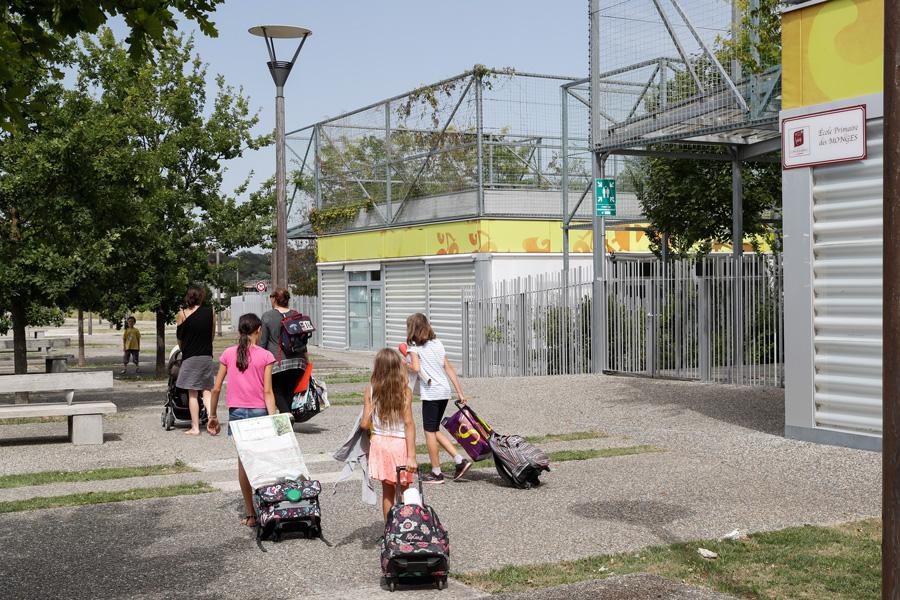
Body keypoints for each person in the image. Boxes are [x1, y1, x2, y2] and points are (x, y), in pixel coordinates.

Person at [209, 313, 276, 528]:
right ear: (259, 330)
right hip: (260, 412)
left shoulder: (228, 354)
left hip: (237, 414)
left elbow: (216, 388)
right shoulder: (266, 356)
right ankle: (270, 506)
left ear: (239, 331)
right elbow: (268, 392)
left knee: (244, 463)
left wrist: (212, 416)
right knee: (263, 461)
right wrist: (274, 419)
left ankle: (251, 514)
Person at [404, 313, 472, 484]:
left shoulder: (414, 347)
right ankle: (460, 461)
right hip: (444, 391)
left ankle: (436, 473)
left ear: (412, 329)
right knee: (434, 429)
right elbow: (448, 368)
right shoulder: (437, 343)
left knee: (429, 432)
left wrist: (405, 364)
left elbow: (416, 368)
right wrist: (460, 392)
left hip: (431, 393)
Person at [361, 348, 417, 522]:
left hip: (379, 444)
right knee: (405, 489)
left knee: (387, 492)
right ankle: (407, 527)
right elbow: (409, 424)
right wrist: (412, 456)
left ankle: (389, 530)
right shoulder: (405, 391)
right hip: (399, 444)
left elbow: (364, 424)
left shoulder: (370, 390)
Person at [259, 287, 309, 415]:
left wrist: (258, 362)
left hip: (278, 362)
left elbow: (263, 342)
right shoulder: (296, 315)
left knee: (275, 390)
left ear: (274, 299)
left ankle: (287, 415)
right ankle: (287, 418)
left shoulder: (267, 316)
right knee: (289, 391)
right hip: (298, 362)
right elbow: (303, 341)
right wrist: (306, 360)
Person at [175, 285, 216, 436]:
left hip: (190, 357)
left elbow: (179, 339)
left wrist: (184, 349)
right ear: (201, 297)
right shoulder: (210, 311)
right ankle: (212, 419)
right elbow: (212, 335)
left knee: (192, 393)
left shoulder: (182, 314)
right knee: (206, 391)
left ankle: (195, 427)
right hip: (206, 356)